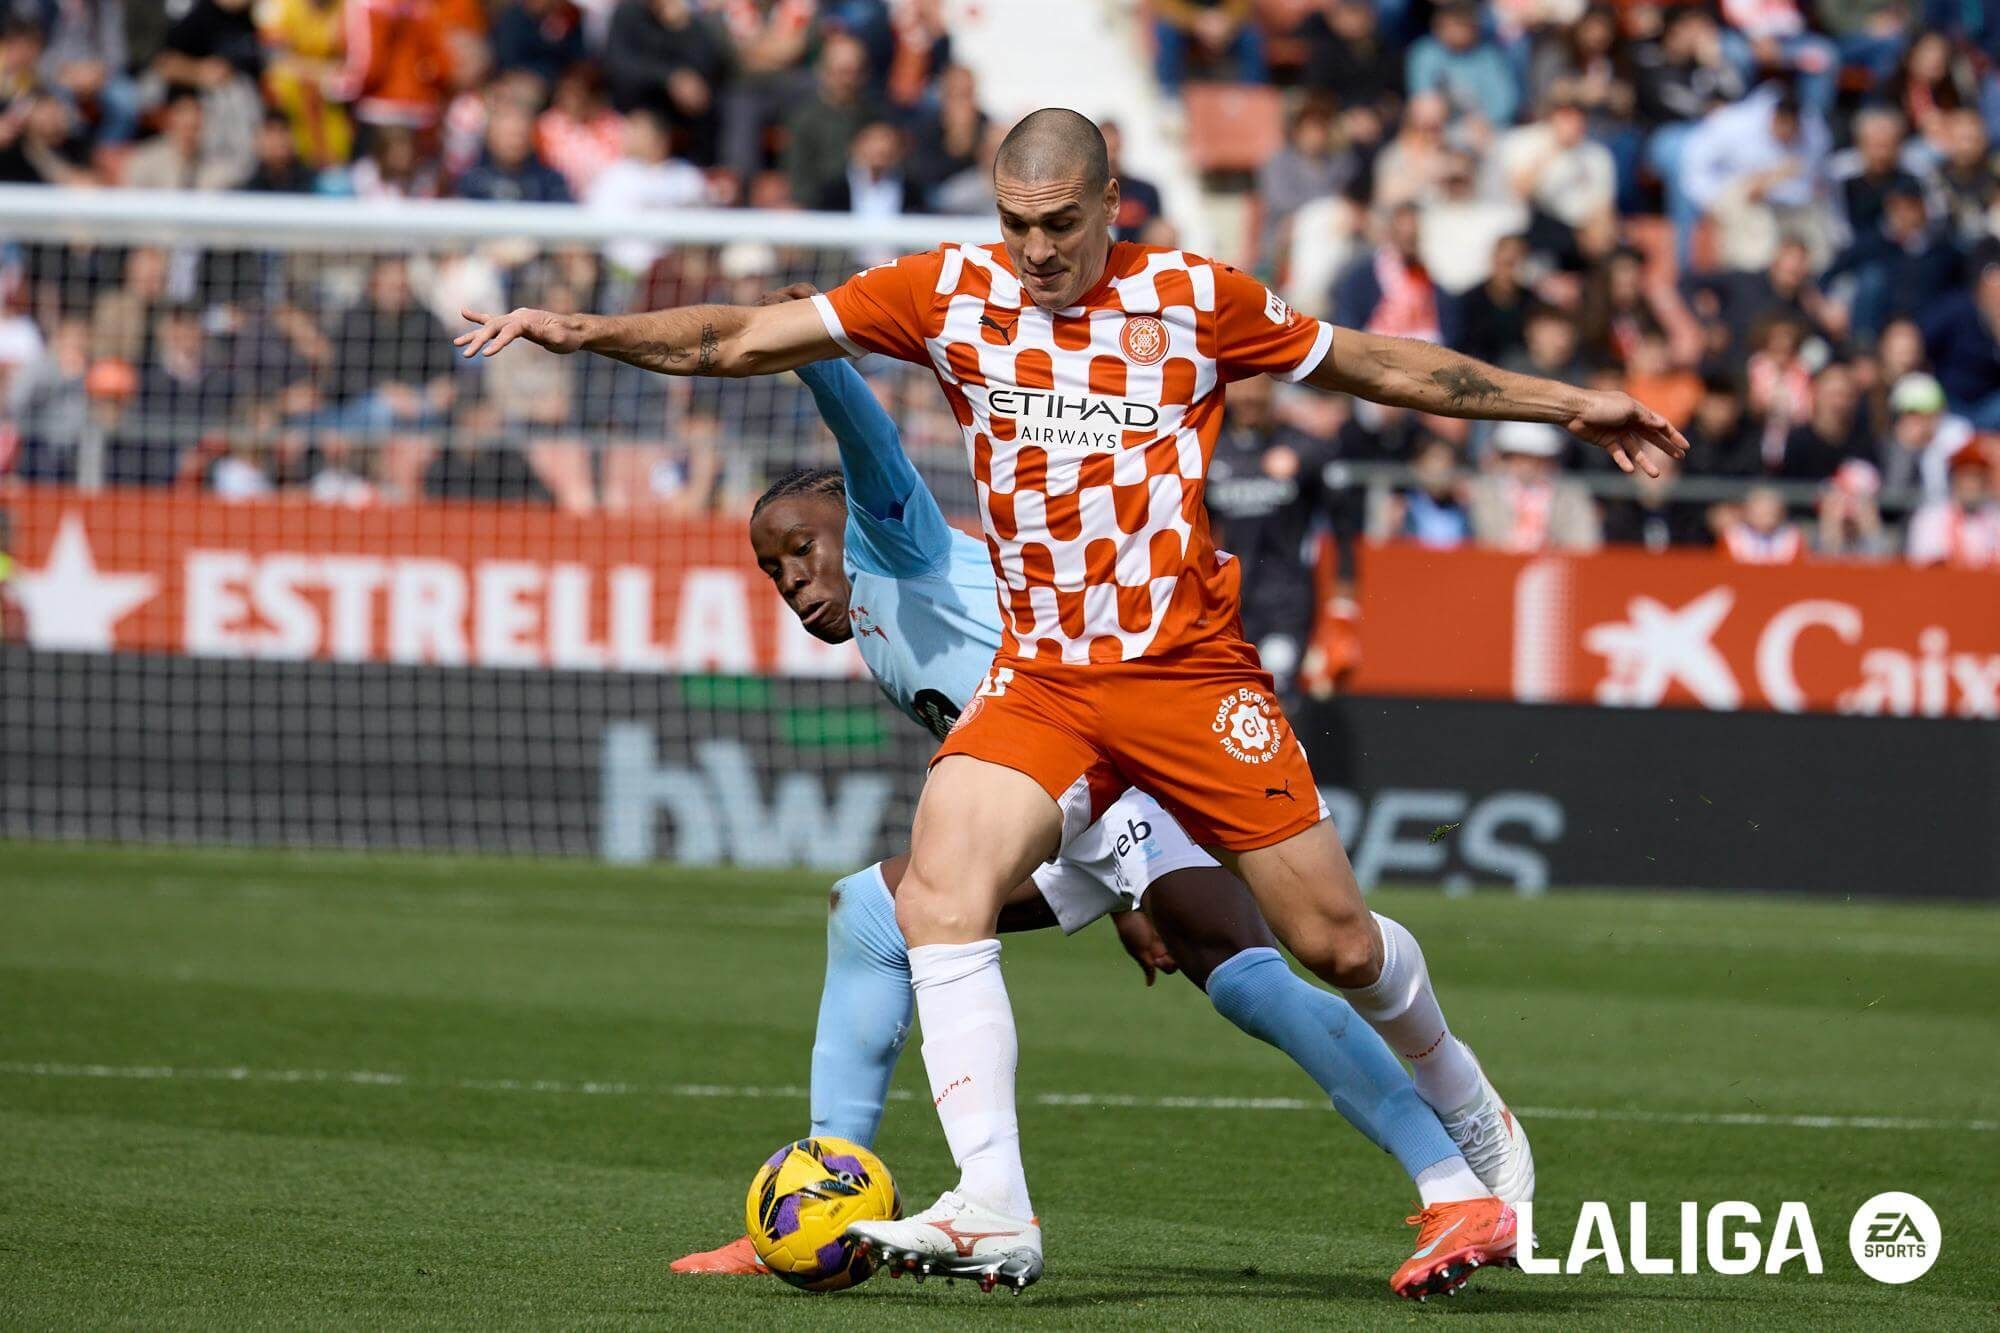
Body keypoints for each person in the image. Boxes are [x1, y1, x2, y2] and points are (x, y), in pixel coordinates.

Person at [454, 107, 1687, 1301]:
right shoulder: (949, 291)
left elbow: (1382, 366)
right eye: (1013, 222)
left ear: (1111, 205)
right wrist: (577, 328)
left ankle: (1459, 1102)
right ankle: (992, 1199)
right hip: (1042, 684)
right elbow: (739, 338)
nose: (1034, 249)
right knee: (930, 892)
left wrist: (1568, 404)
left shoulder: (1194, 300)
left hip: (1185, 678)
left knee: (1332, 947)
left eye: (1056, 222)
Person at [673, 349, 1508, 1280]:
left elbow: (866, 439)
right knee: (871, 912)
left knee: (1253, 974)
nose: (789, 576)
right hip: (1080, 798)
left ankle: (1455, 1187)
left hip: (1146, 757)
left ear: (854, 527)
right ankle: (818, 1203)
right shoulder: (876, 624)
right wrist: (1115, 895)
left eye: (802, 548)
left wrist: (817, 352)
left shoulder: (898, 542)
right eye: (770, 566)